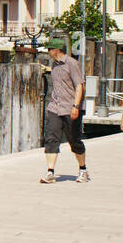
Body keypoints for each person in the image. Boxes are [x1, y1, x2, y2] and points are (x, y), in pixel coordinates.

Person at [40, 36, 88, 183]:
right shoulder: (54, 65)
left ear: (56, 50)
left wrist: (76, 106)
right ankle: (50, 172)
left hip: (70, 108)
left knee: (74, 140)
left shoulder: (72, 64)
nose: (47, 51)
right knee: (51, 139)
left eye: (49, 49)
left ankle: (82, 169)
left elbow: (79, 85)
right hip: (55, 107)